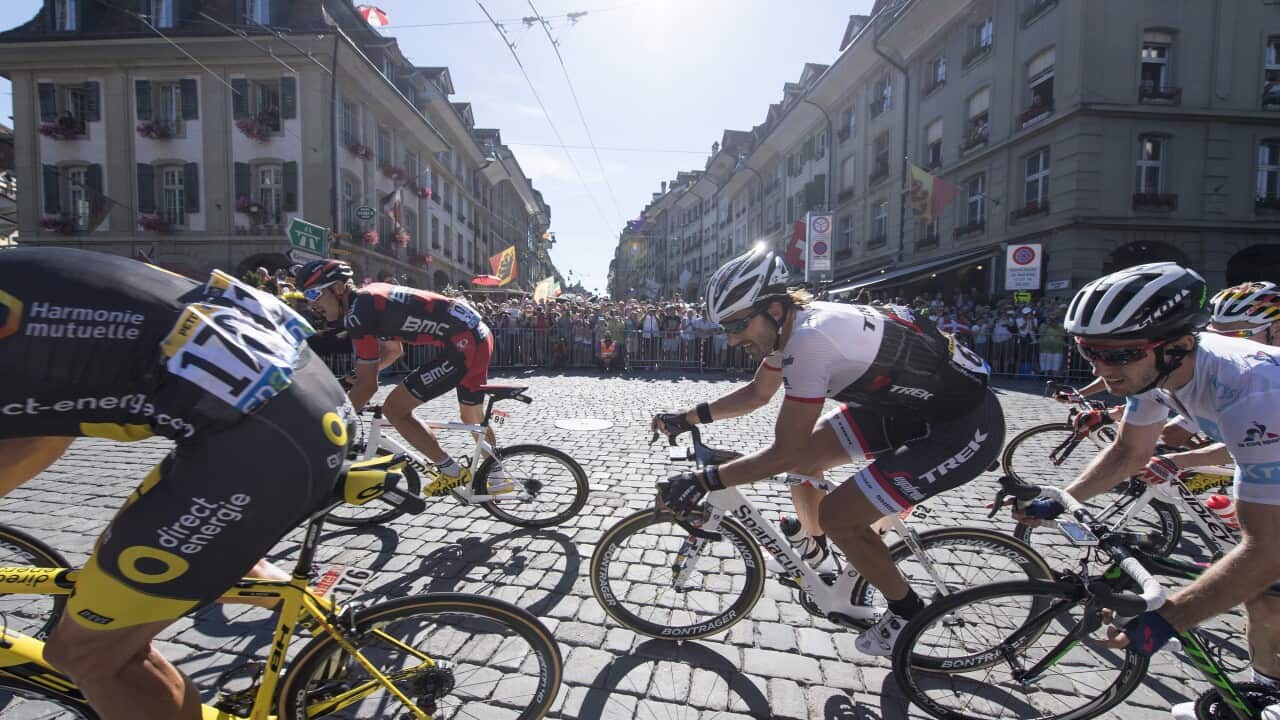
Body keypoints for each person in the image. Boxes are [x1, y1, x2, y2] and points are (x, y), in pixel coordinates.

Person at [0, 247, 351, 719]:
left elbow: (31, 441)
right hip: (299, 383)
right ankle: (324, 623)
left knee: (88, 655)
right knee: (186, 541)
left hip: (262, 429)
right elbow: (40, 430)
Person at [652, 246, 1003, 655]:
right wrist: (688, 417)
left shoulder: (810, 341)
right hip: (906, 408)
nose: (732, 339)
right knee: (808, 461)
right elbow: (757, 394)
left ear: (776, 310)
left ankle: (906, 612)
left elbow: (783, 451)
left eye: (738, 325)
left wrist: (704, 480)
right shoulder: (792, 329)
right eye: (726, 328)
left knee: (839, 515)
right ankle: (818, 554)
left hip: (962, 426)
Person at [1013, 263, 1280, 719]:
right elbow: (1128, 453)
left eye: (1118, 355)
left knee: (1264, 576)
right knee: (1267, 598)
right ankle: (1268, 692)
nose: (1102, 368)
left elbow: (1268, 550)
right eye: (1090, 351)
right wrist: (1065, 497)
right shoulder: (1154, 371)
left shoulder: (1254, 390)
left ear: (1179, 346)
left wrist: (1166, 619)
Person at [295, 259, 494, 495]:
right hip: (476, 335)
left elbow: (368, 387)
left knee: (395, 410)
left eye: (314, 293)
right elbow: (392, 352)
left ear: (338, 287)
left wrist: (336, 425)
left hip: (465, 342)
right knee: (471, 417)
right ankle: (498, 474)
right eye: (307, 296)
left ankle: (451, 471)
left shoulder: (359, 314)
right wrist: (356, 377)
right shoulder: (368, 300)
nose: (311, 303)